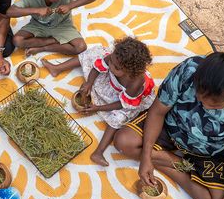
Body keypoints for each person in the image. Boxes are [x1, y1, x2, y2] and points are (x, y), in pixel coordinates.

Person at [113, 47, 224, 199]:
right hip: (172, 128)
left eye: (216, 106)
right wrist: (147, 156)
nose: (205, 107)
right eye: (199, 98)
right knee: (124, 142)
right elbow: (157, 112)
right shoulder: (191, 69)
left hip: (213, 153)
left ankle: (171, 162)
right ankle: (180, 167)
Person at [42, 37, 155, 166]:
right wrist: (89, 83)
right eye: (111, 61)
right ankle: (57, 68)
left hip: (125, 100)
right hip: (112, 83)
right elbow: (97, 68)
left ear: (130, 71)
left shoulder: (135, 83)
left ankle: (98, 152)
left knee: (119, 118)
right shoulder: (114, 59)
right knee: (94, 53)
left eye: (116, 67)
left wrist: (98, 108)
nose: (111, 65)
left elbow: (122, 104)